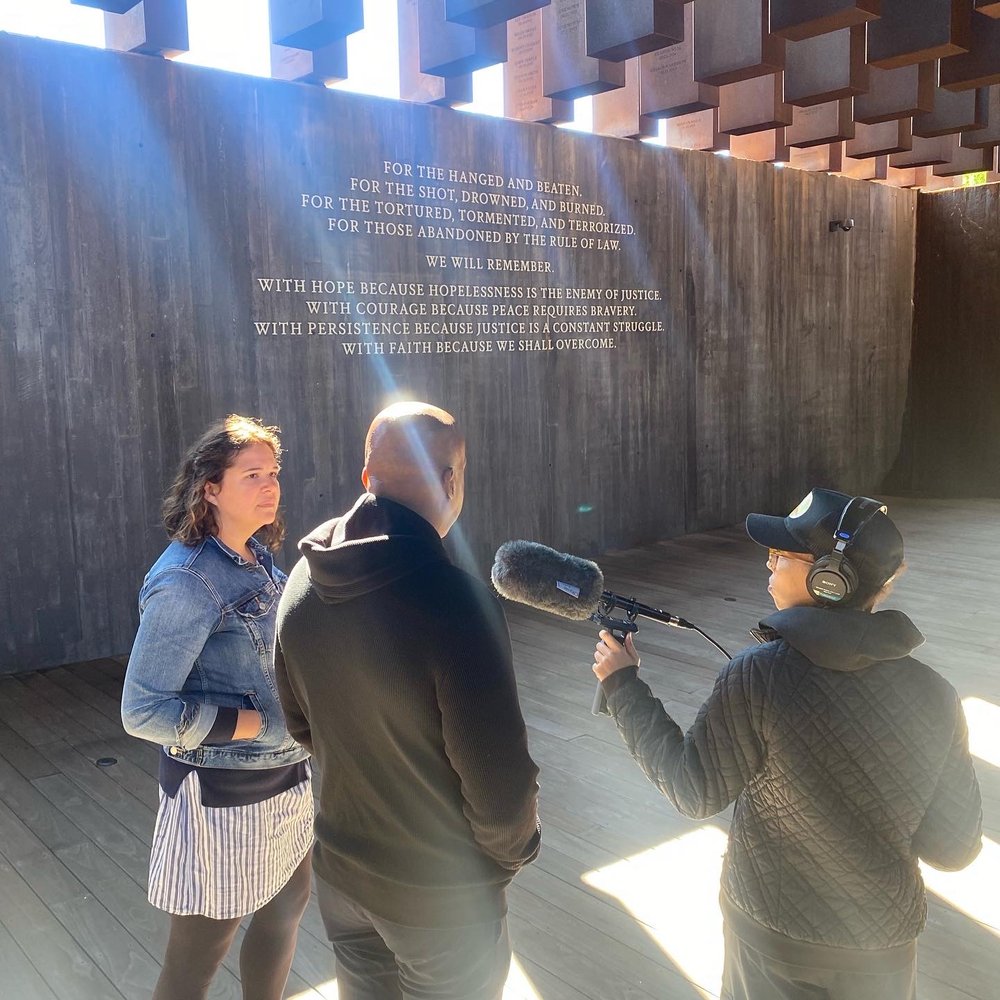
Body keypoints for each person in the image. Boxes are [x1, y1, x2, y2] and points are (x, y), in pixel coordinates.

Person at [592, 488, 982, 1000]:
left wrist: (622, 686)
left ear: (830, 580)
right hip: (880, 949)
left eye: (781, 556)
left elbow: (693, 791)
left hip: (769, 939)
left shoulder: (757, 675)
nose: (768, 566)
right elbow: (953, 850)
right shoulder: (936, 695)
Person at [274, 401, 540, 1000]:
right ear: (451, 482)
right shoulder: (455, 602)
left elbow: (301, 725)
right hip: (441, 899)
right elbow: (498, 785)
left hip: (342, 877)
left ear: (367, 477)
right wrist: (507, 858)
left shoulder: (300, 582)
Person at [122, 415, 313, 1000]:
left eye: (274, 472)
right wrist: (245, 723)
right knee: (197, 959)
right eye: (252, 474)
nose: (270, 485)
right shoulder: (185, 580)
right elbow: (142, 710)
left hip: (290, 777)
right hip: (223, 797)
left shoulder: (255, 558)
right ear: (210, 488)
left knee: (284, 915)